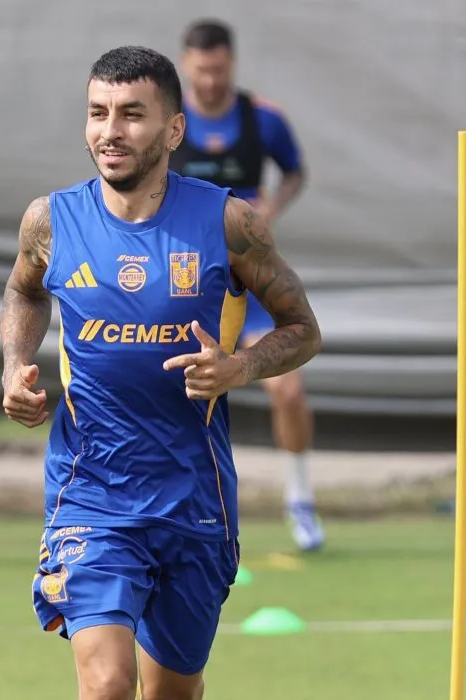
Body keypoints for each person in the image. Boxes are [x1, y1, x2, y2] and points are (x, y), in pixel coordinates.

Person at [1, 46, 320, 700]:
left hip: (194, 499)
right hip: (90, 494)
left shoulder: (228, 224)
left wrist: (241, 367)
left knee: (160, 695)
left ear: (172, 129)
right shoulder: (49, 221)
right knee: (100, 686)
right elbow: (23, 293)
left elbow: (301, 327)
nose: (111, 131)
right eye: (99, 112)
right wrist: (16, 374)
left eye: (132, 114)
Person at [170, 19, 324, 552]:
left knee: (289, 386)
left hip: (249, 281)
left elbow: (296, 172)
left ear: (230, 64)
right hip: (187, 285)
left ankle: (300, 502)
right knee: (171, 390)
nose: (211, 80)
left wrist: (271, 211)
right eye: (201, 71)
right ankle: (179, 513)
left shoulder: (263, 120)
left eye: (219, 69)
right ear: (187, 66)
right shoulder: (172, 123)